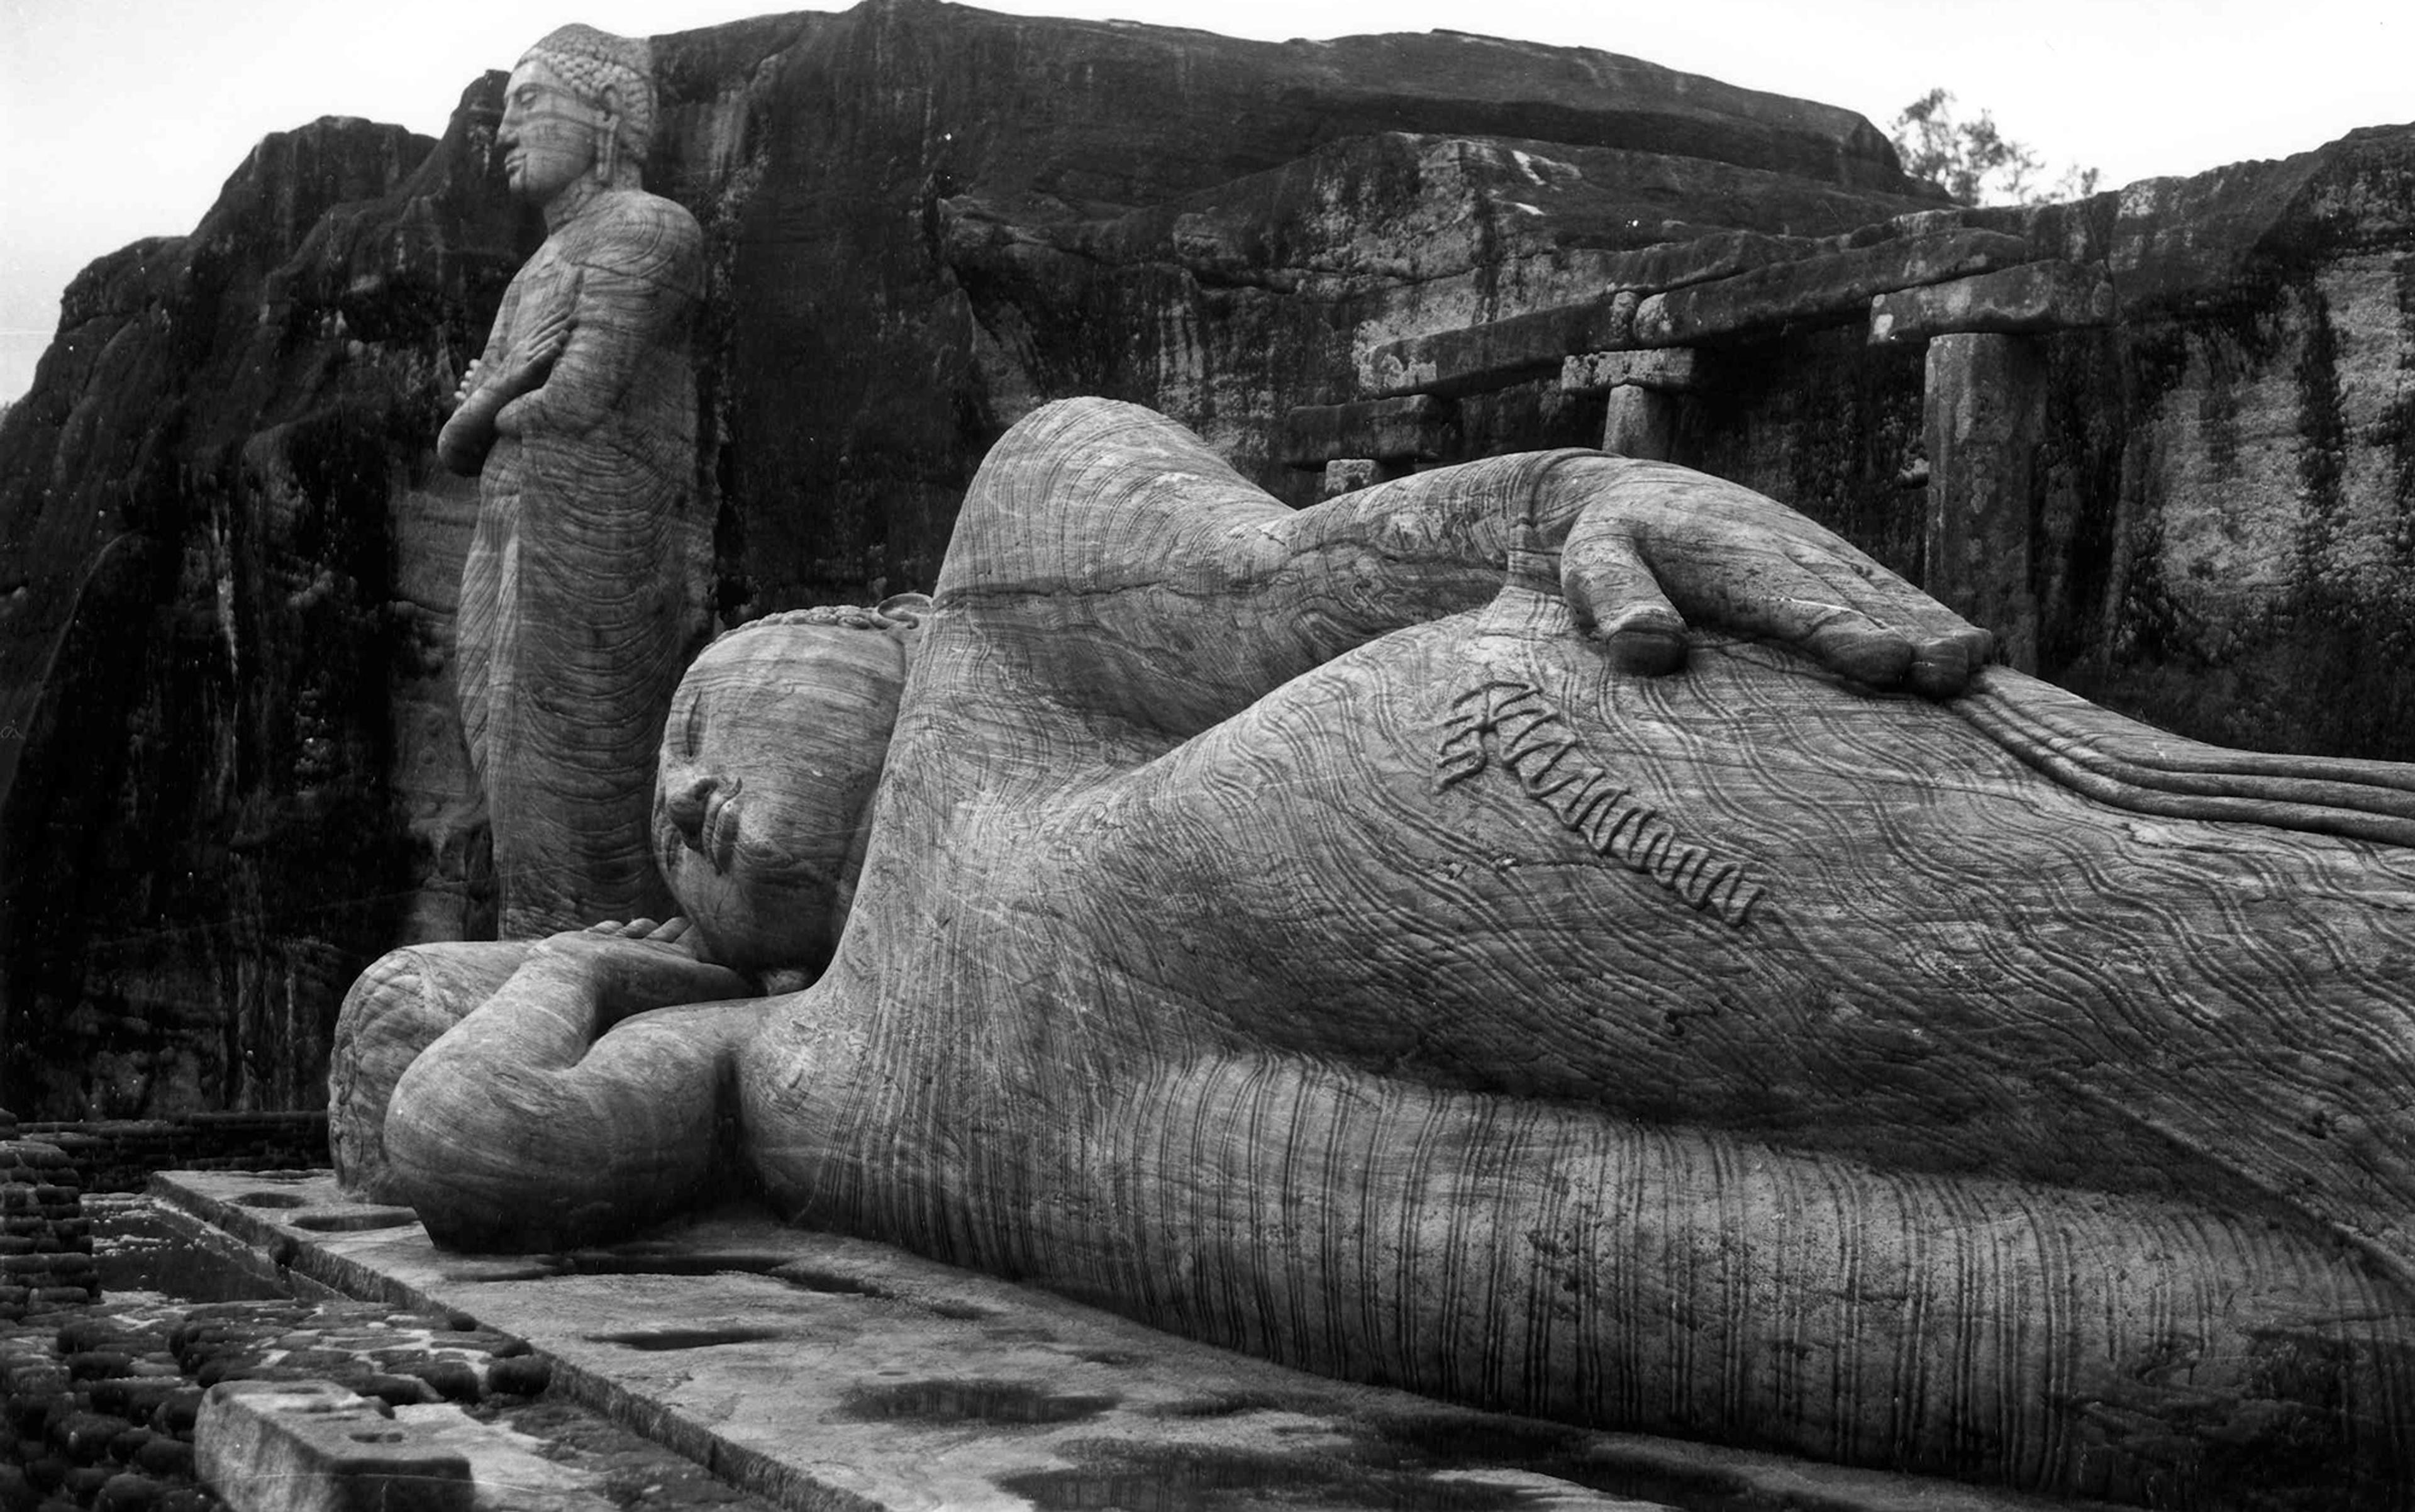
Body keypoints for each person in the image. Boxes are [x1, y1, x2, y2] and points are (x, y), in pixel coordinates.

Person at [349, 399, 2415, 1503]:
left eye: (704, 719)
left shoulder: (1012, 593)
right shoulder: (797, 1071)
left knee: (2253, 974)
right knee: (2198, 1355)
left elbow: (1293, 570)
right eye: (672, 845)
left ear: (848, 627)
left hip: (1543, 801)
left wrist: (1588, 488)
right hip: (1455, 1220)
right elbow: (475, 1135)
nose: (696, 808)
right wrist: (617, 963)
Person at [438, 24, 702, 937]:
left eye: (528, 103)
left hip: (595, 531)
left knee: (578, 768)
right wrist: (511, 389)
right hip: (505, 531)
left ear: (605, 112)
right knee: (501, 762)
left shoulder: (651, 231)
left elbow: (576, 398)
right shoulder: (533, 274)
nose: (505, 131)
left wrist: (503, 402)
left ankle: (601, 954)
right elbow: (458, 442)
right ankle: (533, 949)